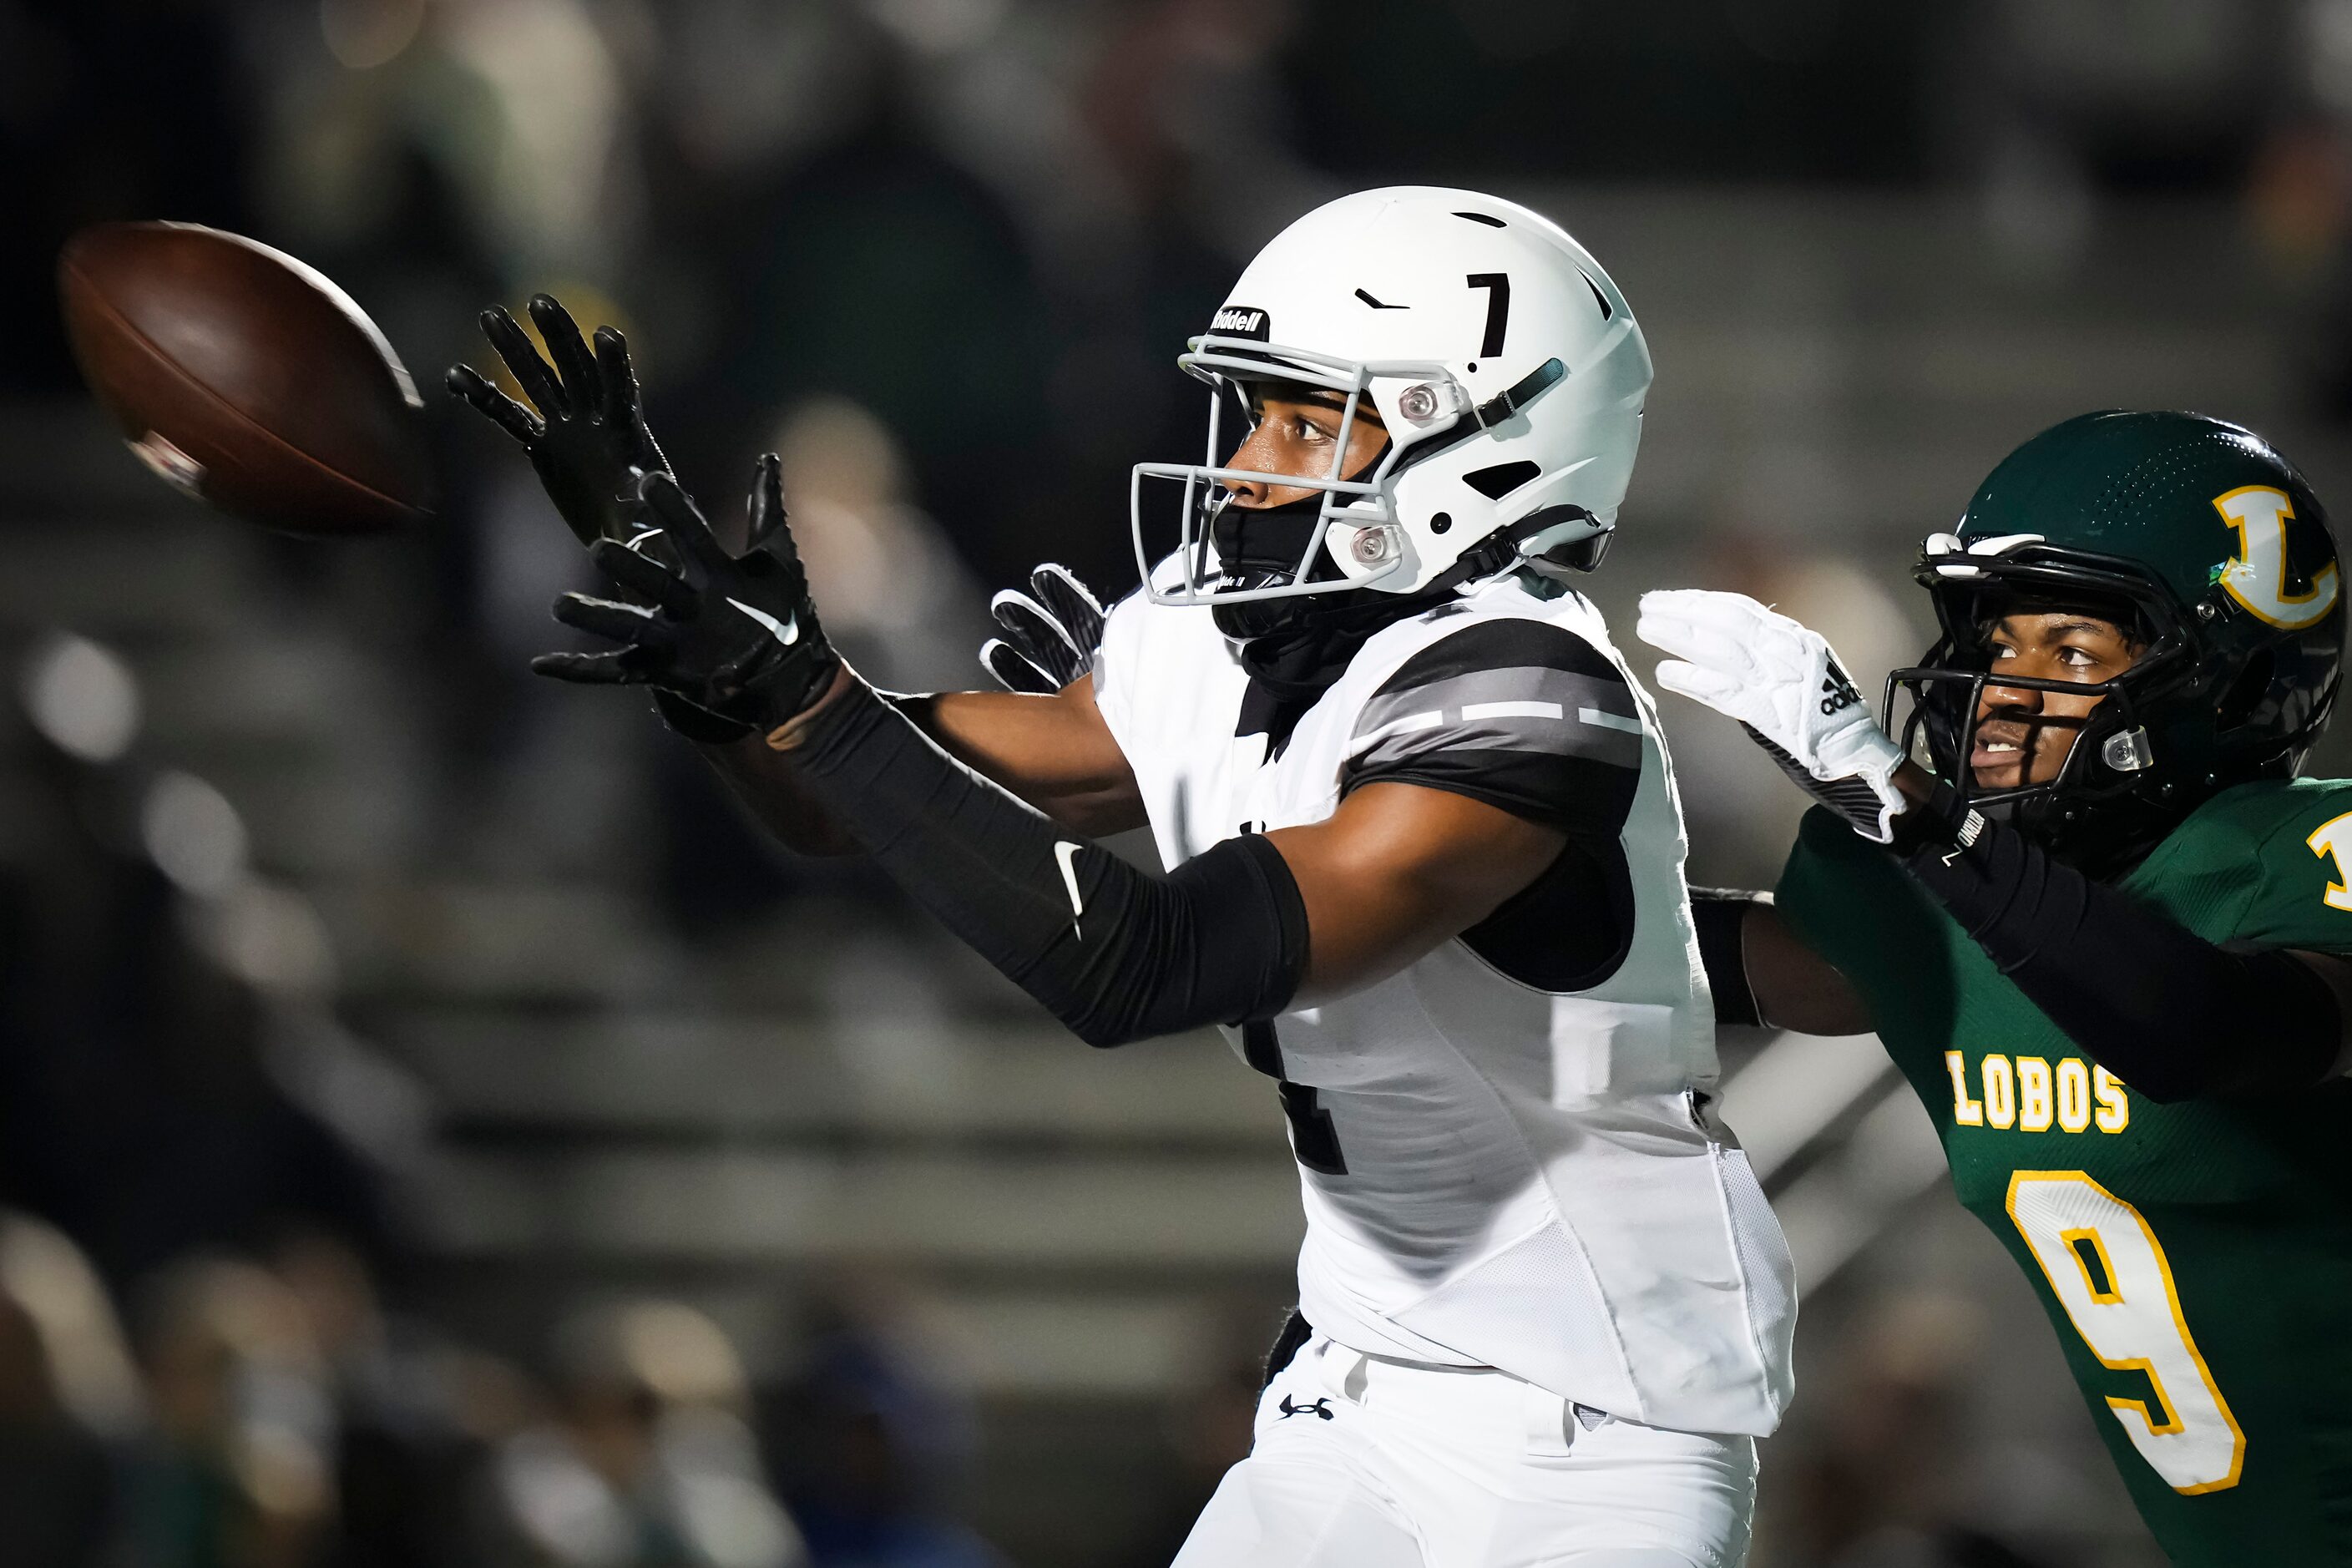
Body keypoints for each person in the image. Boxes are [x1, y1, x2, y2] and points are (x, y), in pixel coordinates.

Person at [450, 185, 1795, 1566]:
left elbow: (1137, 962)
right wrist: (724, 666)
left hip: (1595, 1419)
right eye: (1257, 412)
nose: (1247, 464)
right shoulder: (1234, 643)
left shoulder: (1528, 691)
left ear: (1485, 443)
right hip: (1367, 1380)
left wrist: (804, 690)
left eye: (1305, 419)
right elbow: (841, 801)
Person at [1630, 410, 2352, 1565]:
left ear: (2229, 682)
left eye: (2068, 652)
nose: (2000, 690)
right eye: (1990, 639)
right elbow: (1691, 961)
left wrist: (1921, 818)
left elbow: (2203, 1029)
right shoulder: (1962, 890)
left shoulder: (2302, 854)